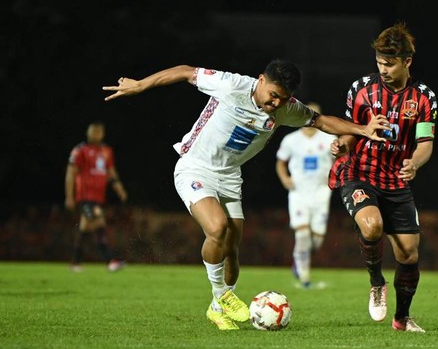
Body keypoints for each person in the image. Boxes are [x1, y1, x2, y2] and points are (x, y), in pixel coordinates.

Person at [102, 60, 389, 331]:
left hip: (229, 177)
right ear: (261, 80)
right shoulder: (231, 85)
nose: (275, 103)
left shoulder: (286, 108)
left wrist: (363, 130)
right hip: (195, 167)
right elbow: (185, 71)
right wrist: (140, 85)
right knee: (217, 228)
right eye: (273, 94)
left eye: (283, 98)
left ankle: (216, 307)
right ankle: (222, 295)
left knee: (232, 252)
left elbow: (322, 121)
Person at [329, 22, 437, 333]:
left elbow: (425, 144)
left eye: (389, 63)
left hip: (396, 180)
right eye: (379, 62)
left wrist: (414, 164)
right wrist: (341, 144)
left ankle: (402, 319)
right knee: (372, 225)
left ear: (407, 61)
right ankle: (377, 282)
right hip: (359, 172)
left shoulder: (424, 98)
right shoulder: (361, 89)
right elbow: (351, 131)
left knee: (409, 252)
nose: (383, 69)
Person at [275, 102, 336, 289]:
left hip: (321, 192)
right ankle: (304, 278)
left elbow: (340, 159)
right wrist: (285, 178)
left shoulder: (329, 138)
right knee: (302, 235)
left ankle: (298, 259)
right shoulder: (291, 140)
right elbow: (280, 162)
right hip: (299, 193)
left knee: (316, 240)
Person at [65, 121, 128, 272]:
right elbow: (71, 174)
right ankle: (110, 261)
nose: (95, 134)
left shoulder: (106, 151)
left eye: (98, 132)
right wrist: (69, 196)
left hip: (98, 197)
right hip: (84, 196)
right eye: (93, 131)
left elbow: (111, 172)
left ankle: (75, 262)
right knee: (98, 220)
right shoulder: (80, 150)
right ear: (88, 132)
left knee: (85, 227)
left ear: (102, 134)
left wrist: (119, 187)